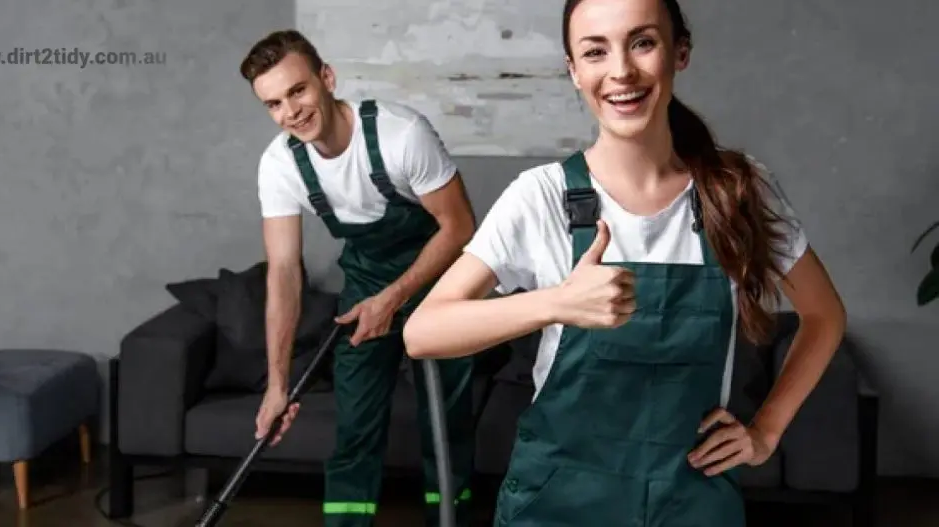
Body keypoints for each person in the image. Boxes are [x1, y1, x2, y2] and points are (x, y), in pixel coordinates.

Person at [402, 0, 847, 525]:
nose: (621, 71)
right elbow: (423, 332)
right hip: (556, 504)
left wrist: (766, 432)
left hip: (691, 501)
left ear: (679, 52)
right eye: (595, 52)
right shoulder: (541, 197)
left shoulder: (735, 191)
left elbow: (824, 315)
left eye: (643, 43)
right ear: (574, 71)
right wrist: (555, 303)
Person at [240, 30, 479, 527]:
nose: (291, 112)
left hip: (442, 282)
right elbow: (283, 271)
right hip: (366, 283)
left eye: (298, 91)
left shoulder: (400, 134)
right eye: (274, 104)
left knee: (447, 425)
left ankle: (450, 519)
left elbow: (459, 227)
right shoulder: (280, 166)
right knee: (355, 428)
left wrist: (395, 298)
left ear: (326, 79)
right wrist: (278, 385)